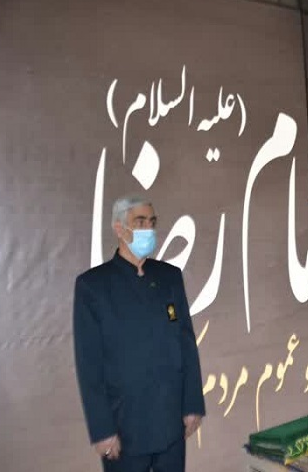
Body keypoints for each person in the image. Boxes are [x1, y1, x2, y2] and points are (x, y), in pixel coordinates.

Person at [74, 195, 206, 471]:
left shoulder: (169, 276)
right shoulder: (93, 286)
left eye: (152, 222)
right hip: (124, 429)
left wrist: (192, 404)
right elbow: (89, 365)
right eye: (140, 222)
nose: (149, 229)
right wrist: (102, 430)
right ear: (119, 228)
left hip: (171, 421)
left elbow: (185, 343)